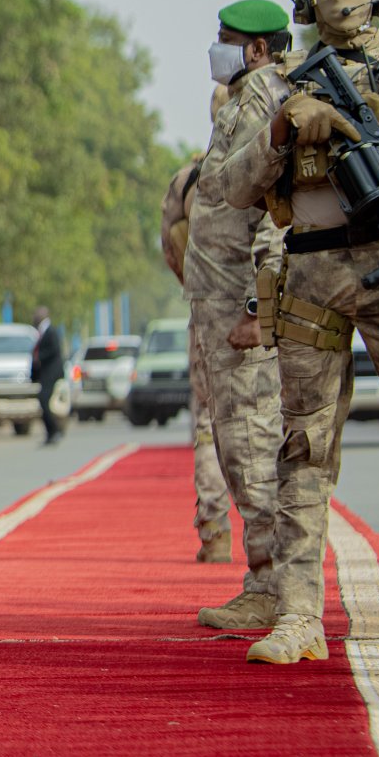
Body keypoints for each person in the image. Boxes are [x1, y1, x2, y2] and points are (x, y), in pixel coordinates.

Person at [206, 0, 379, 665]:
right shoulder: (277, 86)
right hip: (312, 280)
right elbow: (229, 188)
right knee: (303, 452)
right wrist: (280, 131)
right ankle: (299, 616)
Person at [186, 0, 285, 630]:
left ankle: (273, 588)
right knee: (235, 448)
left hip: (239, 312)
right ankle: (266, 582)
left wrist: (257, 307)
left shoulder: (262, 103)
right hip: (219, 305)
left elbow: (276, 212)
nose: (215, 50)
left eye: (226, 40)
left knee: (251, 448)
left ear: (256, 49)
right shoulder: (243, 102)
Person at [160, 152, 234, 551]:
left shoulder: (187, 180)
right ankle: (275, 536)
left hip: (208, 308)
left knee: (208, 420)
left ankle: (216, 530)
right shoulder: (270, 149)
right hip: (263, 308)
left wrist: (195, 283)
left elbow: (170, 243)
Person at [30, 307, 65, 445]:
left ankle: (55, 430)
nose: (35, 316)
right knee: (43, 401)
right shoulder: (41, 332)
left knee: (44, 399)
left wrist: (39, 357)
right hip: (45, 373)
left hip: (51, 373)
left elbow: (54, 350)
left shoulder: (51, 332)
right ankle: (52, 432)